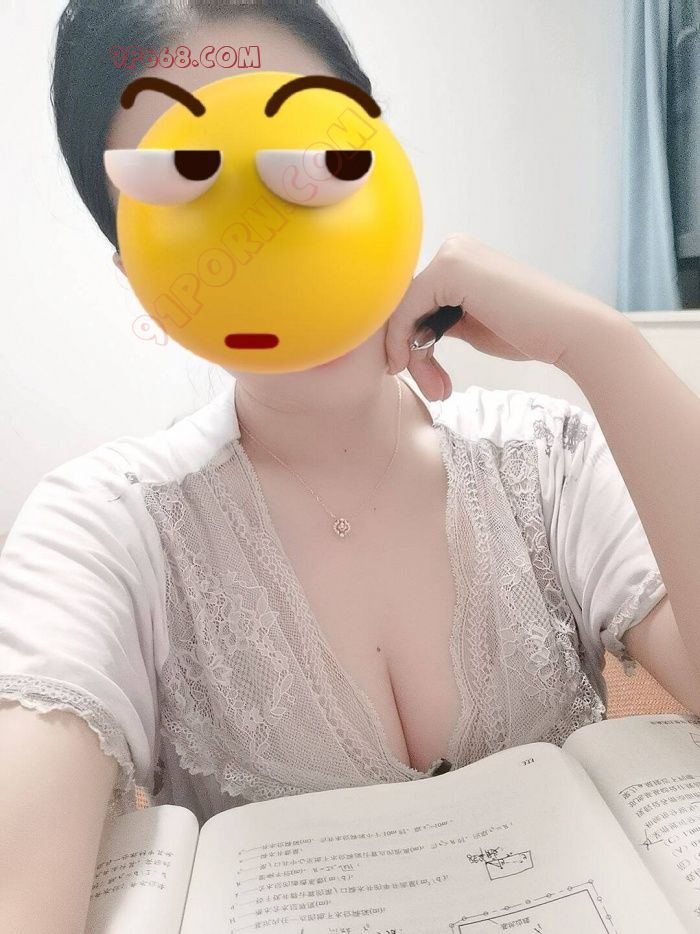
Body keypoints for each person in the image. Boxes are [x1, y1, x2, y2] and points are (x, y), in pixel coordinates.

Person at [4, 2, 700, 930]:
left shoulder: (545, 459)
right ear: (136, 271)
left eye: (315, 162)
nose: (269, 234)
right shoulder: (101, 525)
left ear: (385, 168)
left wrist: (604, 349)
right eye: (188, 187)